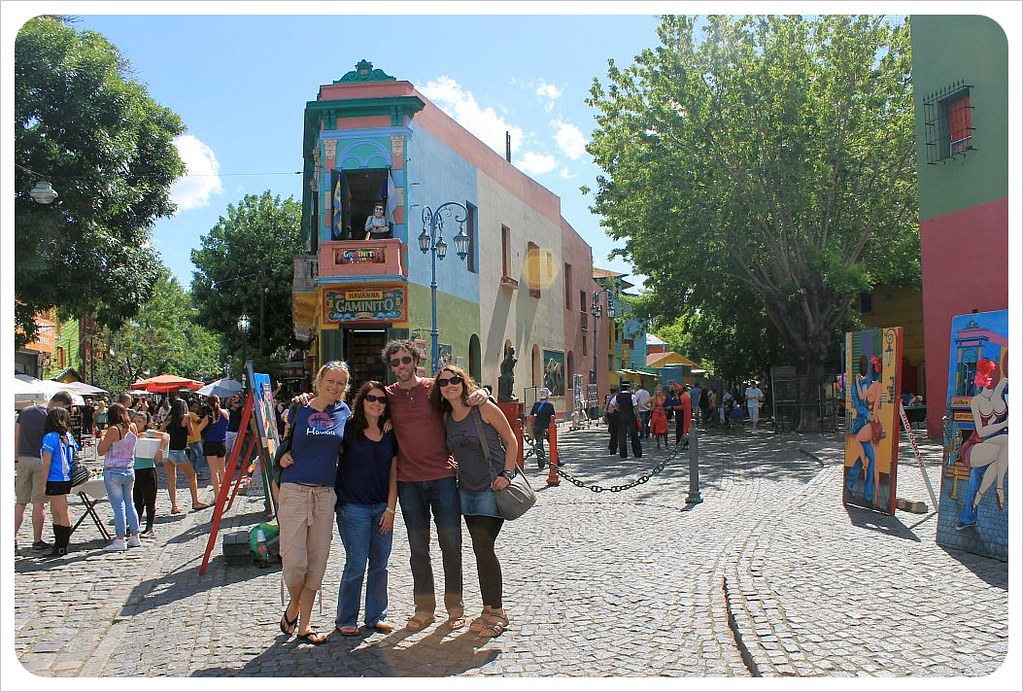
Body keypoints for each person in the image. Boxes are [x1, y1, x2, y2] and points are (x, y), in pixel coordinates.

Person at [380, 339, 487, 632]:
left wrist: (483, 392)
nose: (401, 366)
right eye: (395, 362)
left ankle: (455, 607)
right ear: (391, 367)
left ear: (415, 360)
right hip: (408, 482)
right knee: (418, 549)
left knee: (451, 545)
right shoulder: (387, 396)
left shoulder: (433, 388)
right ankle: (424, 608)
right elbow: (361, 409)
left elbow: (461, 395)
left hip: (443, 478)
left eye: (405, 360)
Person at [431, 364, 518, 638]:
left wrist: (507, 473)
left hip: (492, 489)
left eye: (454, 379)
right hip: (466, 490)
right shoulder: (445, 416)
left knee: (483, 546)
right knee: (480, 549)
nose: (450, 385)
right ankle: (488, 608)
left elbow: (511, 440)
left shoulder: (484, 407)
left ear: (464, 381)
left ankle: (498, 611)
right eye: (443, 383)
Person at [276, 361, 352, 645]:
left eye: (340, 383)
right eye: (329, 381)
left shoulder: (344, 412)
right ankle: (294, 606)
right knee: (295, 562)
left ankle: (303, 624)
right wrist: (279, 459)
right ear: (319, 381)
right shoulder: (299, 408)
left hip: (325, 494)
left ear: (345, 387)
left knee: (317, 563)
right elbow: (280, 441)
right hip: (295, 490)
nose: (334, 387)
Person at [334, 380, 398, 637]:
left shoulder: (390, 432)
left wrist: (391, 509)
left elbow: (394, 471)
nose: (376, 404)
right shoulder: (348, 429)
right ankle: (346, 618)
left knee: (380, 564)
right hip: (353, 508)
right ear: (362, 401)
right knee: (356, 562)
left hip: (382, 506)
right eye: (371, 398)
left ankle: (376, 615)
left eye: (382, 400)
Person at [14, 390, 75, 552]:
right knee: (39, 503)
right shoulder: (53, 420)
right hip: (42, 462)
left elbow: (16, 435)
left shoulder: (25, 412)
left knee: (20, 502)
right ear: (61, 404)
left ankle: (12, 537)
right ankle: (37, 540)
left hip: (24, 459)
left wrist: (15, 458)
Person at [956, 355, 1009, 530]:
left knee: (1007, 446)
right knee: (978, 472)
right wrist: (1005, 423)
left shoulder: (999, 393)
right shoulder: (977, 401)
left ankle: (989, 494)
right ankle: (996, 491)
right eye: (989, 375)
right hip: (975, 445)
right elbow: (981, 431)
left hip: (992, 444)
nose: (992, 378)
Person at [97, 402, 142, 551]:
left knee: (118, 506)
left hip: (114, 470)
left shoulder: (113, 430)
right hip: (129, 469)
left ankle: (120, 538)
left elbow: (101, 451)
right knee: (130, 503)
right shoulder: (133, 427)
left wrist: (102, 437)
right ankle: (135, 535)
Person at [39, 406, 79, 557]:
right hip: (66, 477)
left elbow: (46, 463)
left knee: (60, 512)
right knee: (57, 511)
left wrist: (42, 484)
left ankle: (61, 546)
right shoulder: (67, 435)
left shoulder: (50, 437)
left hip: (54, 478)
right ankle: (59, 544)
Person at [159, 398, 211, 513]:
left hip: (168, 451)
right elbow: (192, 433)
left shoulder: (169, 418)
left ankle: (174, 506)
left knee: (171, 479)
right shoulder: (186, 417)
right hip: (178, 451)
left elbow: (161, 431)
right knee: (192, 475)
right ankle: (196, 501)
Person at [132, 410, 167, 539]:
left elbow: (165, 436)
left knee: (149, 500)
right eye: (135, 420)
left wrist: (160, 450)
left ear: (145, 422)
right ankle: (136, 526)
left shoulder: (148, 433)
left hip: (147, 469)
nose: (137, 423)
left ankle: (150, 527)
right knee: (136, 501)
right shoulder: (131, 433)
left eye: (140, 420)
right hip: (133, 470)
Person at [201, 395, 230, 499]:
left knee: (214, 472)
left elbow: (199, 429)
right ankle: (225, 494)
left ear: (209, 404)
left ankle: (217, 497)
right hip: (222, 443)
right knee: (223, 470)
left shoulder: (209, 416)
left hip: (210, 444)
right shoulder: (226, 413)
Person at [527, 387, 556, 468]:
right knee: (553, 445)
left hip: (537, 427)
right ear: (547, 396)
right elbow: (552, 417)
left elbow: (531, 416)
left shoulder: (536, 404)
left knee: (540, 446)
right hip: (547, 428)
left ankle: (541, 463)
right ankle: (556, 461)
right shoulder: (550, 406)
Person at [615, 383, 642, 458]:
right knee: (634, 434)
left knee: (622, 435)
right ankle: (637, 452)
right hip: (630, 415)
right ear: (628, 388)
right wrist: (638, 417)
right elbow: (635, 407)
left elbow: (613, 405)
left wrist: (619, 409)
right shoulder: (632, 396)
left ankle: (623, 453)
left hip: (621, 416)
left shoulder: (617, 396)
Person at [671, 384, 693, 448]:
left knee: (680, 430)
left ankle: (680, 443)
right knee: (684, 429)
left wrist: (673, 407)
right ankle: (685, 443)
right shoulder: (685, 395)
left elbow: (682, 406)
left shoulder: (682, 397)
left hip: (682, 415)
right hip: (684, 415)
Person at [650, 385, 669, 449]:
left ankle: (666, 443)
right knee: (657, 430)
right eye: (658, 390)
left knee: (665, 429)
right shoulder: (653, 398)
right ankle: (658, 444)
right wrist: (651, 408)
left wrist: (666, 408)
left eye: (660, 390)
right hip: (656, 414)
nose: (659, 392)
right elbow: (644, 403)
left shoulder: (664, 398)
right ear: (655, 391)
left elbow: (668, 405)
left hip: (663, 414)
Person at [604, 387, 620, 455]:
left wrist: (605, 414)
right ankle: (613, 446)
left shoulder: (608, 397)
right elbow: (615, 407)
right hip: (614, 415)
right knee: (615, 432)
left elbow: (606, 406)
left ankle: (612, 446)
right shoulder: (616, 398)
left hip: (609, 415)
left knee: (612, 431)